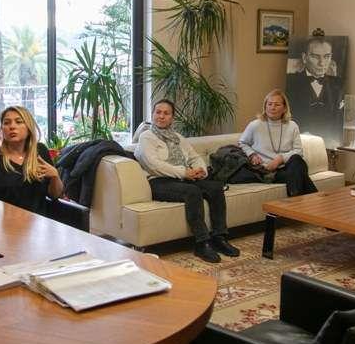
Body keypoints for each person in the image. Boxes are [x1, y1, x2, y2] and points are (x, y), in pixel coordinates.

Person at [135, 99, 238, 264]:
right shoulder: (146, 137)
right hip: (158, 182)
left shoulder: (178, 137)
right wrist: (184, 172)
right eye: (158, 112)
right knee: (192, 192)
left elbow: (194, 156)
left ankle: (219, 237)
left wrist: (200, 170)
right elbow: (154, 165)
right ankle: (202, 243)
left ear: (172, 118)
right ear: (152, 114)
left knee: (215, 188)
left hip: (183, 179)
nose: (161, 116)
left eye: (166, 113)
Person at [0, 105, 63, 215]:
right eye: (6, 123)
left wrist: (55, 176)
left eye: (19, 122)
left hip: (37, 222)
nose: (12, 127)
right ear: (2, 129)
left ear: (28, 127)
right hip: (2, 222)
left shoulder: (40, 151)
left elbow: (55, 195)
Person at [234, 89, 318, 197]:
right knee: (299, 176)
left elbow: (298, 151)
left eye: (277, 105)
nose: (272, 107)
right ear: (265, 106)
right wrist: (252, 154)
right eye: (269, 104)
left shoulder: (292, 126)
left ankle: (296, 202)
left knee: (297, 160)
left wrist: (280, 159)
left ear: (284, 108)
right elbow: (242, 143)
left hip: (287, 167)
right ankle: (314, 201)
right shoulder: (255, 125)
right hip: (267, 171)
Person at [285, 33, 344, 146]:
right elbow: (288, 119)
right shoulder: (291, 83)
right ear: (304, 58)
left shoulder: (339, 84)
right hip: (300, 142)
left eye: (326, 57)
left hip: (330, 143)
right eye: (315, 57)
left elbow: (339, 119)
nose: (322, 63)